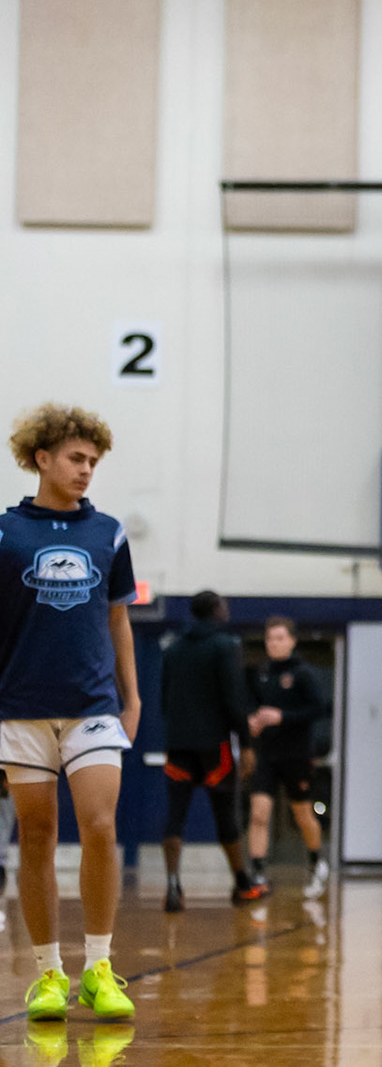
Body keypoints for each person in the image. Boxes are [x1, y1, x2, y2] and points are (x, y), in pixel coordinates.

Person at [0, 404, 140, 1021]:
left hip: (92, 706)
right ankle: (49, 974)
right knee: (36, 836)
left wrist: (132, 697)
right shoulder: (5, 534)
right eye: (76, 459)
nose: (86, 470)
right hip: (20, 706)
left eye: (93, 461)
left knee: (100, 825)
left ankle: (99, 968)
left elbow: (119, 618)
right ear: (42, 458)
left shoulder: (108, 533)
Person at [160, 590, 264, 911]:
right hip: (214, 747)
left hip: (178, 744)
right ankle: (242, 885)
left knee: (175, 816)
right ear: (217, 610)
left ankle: (173, 886)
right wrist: (245, 744)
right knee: (225, 816)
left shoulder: (173, 648)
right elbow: (234, 699)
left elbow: (164, 700)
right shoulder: (225, 645)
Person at [246, 616, 330, 899]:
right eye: (270, 638)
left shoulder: (303, 673)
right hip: (267, 754)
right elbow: (254, 707)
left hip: (296, 755)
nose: (274, 643)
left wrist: (282, 717)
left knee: (302, 814)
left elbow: (318, 709)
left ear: (292, 641)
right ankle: (258, 872)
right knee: (259, 813)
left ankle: (316, 861)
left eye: (280, 638)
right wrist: (254, 721)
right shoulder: (261, 673)